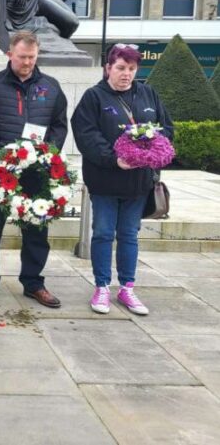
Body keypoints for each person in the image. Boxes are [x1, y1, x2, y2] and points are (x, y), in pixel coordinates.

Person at [71, 43, 173, 315]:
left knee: (129, 235)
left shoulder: (148, 94)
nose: (126, 74)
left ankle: (127, 288)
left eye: (131, 68)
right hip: (105, 180)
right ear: (108, 68)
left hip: (138, 183)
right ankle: (102, 287)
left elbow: (166, 129)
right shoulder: (94, 97)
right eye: (120, 68)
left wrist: (155, 152)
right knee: (103, 233)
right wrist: (113, 158)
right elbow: (87, 134)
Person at [0, 30, 68, 308]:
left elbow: (60, 124)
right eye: (22, 57)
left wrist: (47, 154)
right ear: (10, 54)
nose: (27, 62)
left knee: (36, 228)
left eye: (32, 57)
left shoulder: (51, 86)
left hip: (37, 174)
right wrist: (4, 155)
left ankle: (33, 282)